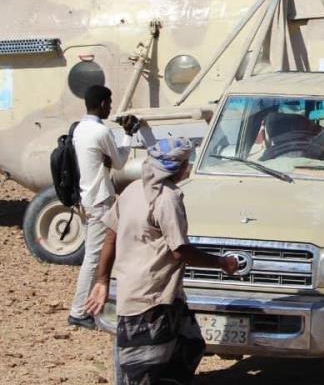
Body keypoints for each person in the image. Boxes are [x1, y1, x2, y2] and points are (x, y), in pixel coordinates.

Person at [84, 137, 239, 385]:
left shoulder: (132, 190)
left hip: (161, 296)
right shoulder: (167, 199)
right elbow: (180, 251)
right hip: (150, 302)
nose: (188, 168)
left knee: (191, 344)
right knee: (141, 372)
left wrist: (102, 280)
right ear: (177, 168)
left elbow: (110, 237)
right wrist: (222, 263)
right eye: (187, 163)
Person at [67, 84, 139, 330]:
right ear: (101, 104)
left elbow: (100, 161)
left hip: (88, 198)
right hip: (100, 200)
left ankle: (96, 306)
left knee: (98, 255)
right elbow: (119, 162)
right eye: (109, 103)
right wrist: (128, 134)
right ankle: (79, 311)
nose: (110, 107)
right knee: (95, 258)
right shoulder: (100, 131)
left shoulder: (80, 129)